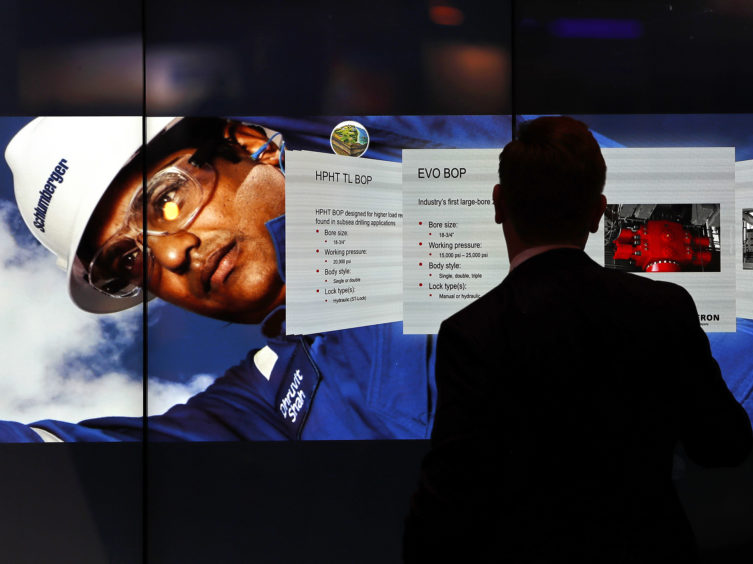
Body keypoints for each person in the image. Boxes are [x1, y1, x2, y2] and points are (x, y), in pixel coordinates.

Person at [403, 116, 753, 562]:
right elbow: (725, 444)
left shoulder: (471, 332)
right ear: (597, 213)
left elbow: (445, 504)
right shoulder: (666, 308)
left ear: (497, 204)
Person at [1, 116, 436, 441]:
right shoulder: (265, 407)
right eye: (131, 261)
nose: (171, 255)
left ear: (248, 142)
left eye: (166, 201)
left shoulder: (410, 166)